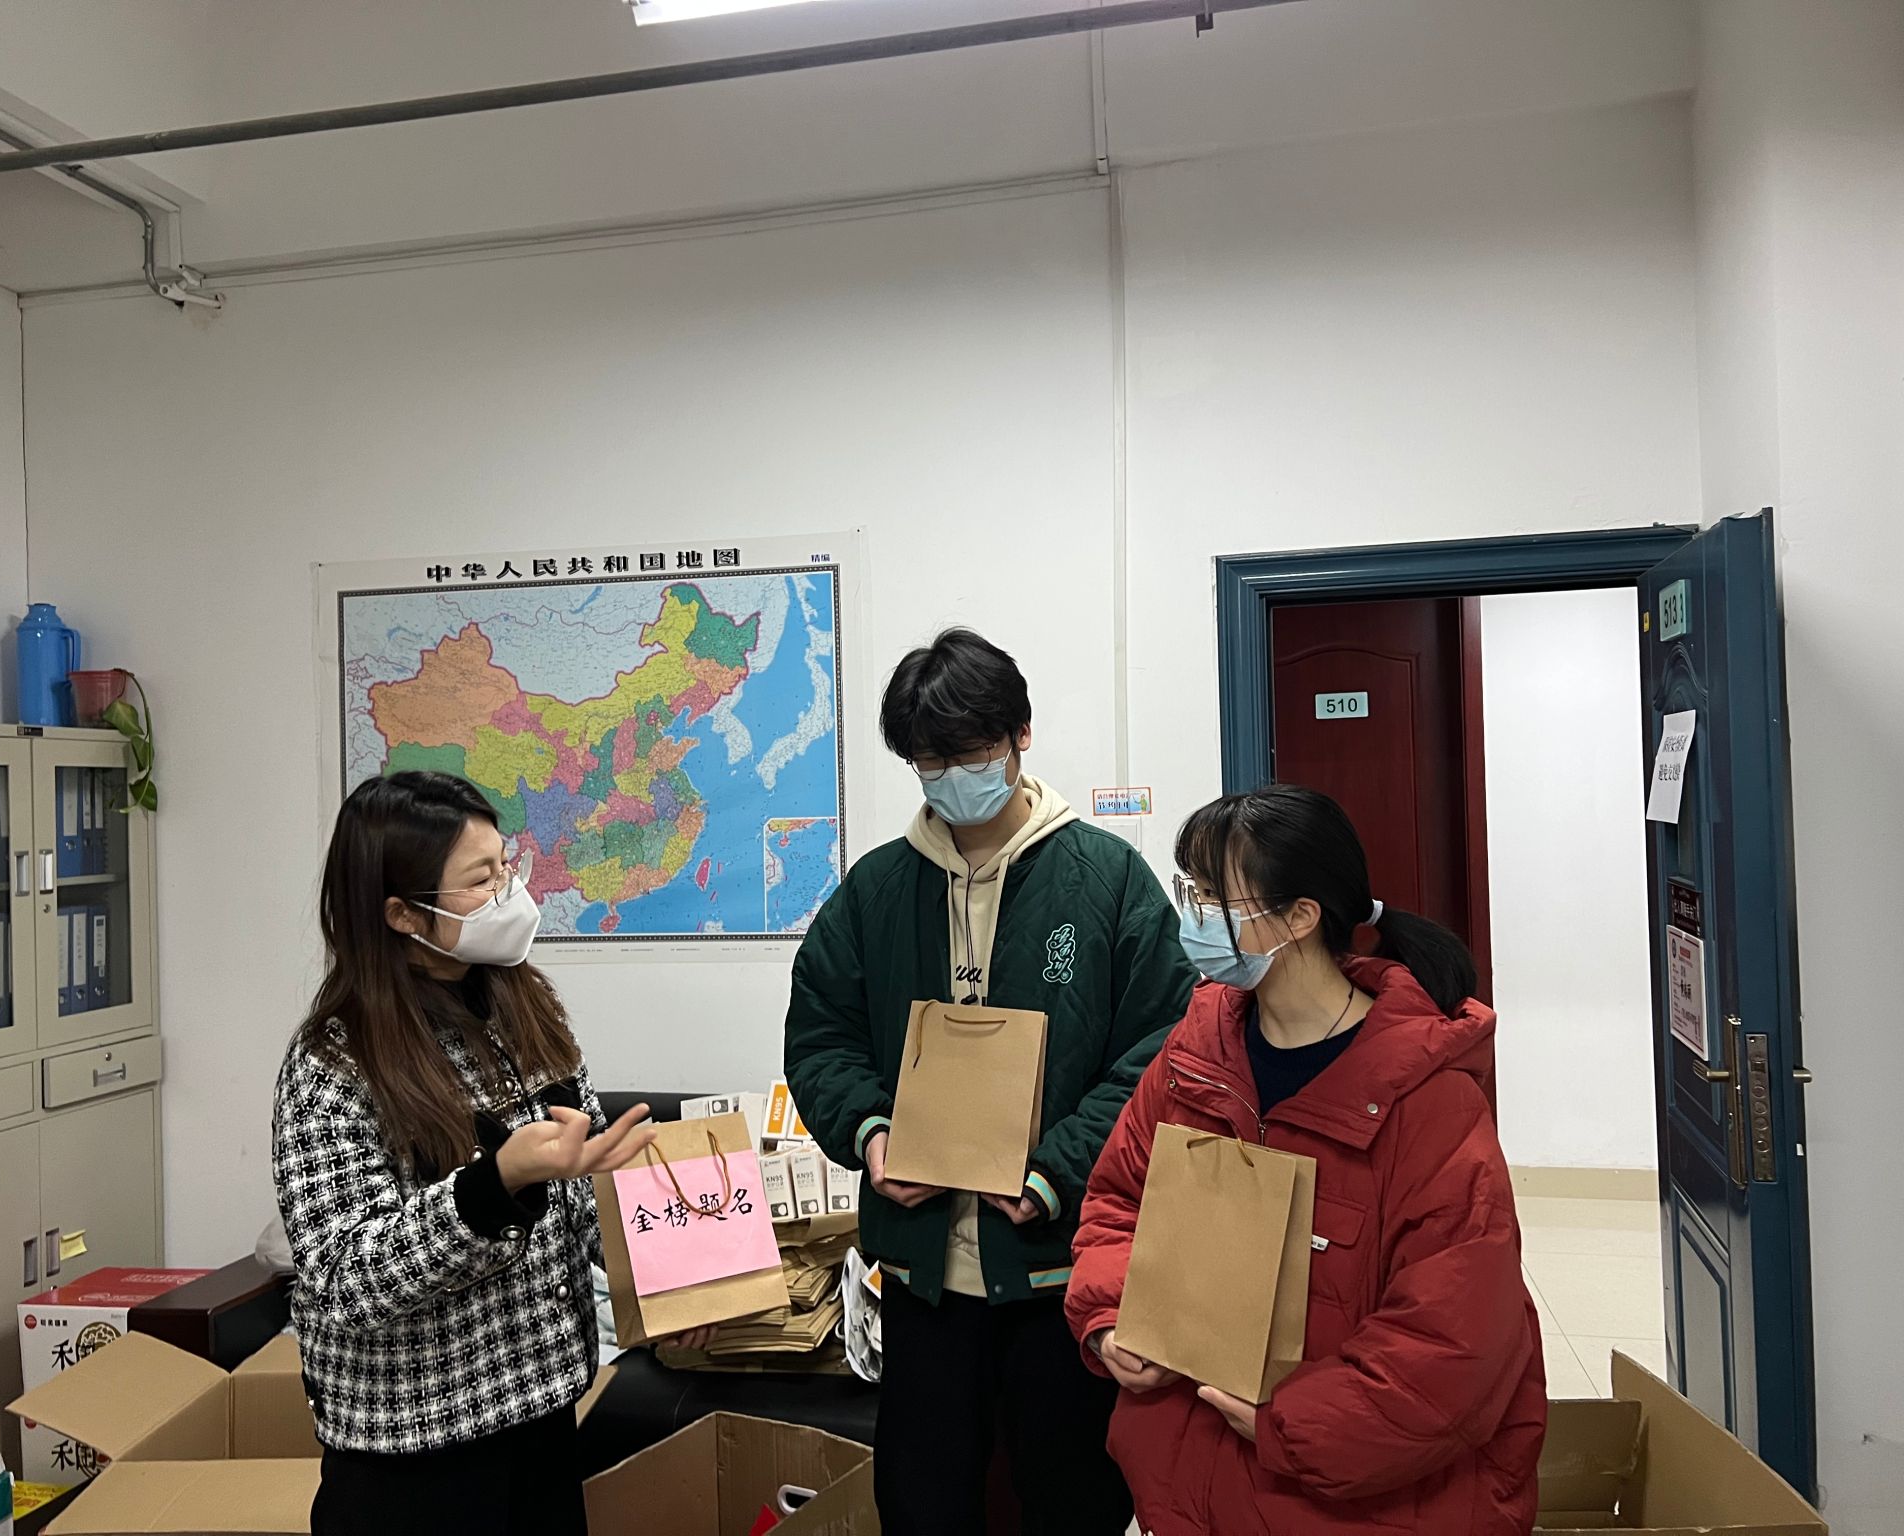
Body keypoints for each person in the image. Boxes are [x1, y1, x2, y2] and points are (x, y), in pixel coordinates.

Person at [785, 628, 1198, 1535]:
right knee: (923, 1505)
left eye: (969, 754)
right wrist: (872, 1135)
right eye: (928, 762)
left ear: (1020, 736)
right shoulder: (876, 891)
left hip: (1062, 1265)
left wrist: (1057, 1168)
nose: (950, 778)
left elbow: (1161, 1051)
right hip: (922, 1271)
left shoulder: (1106, 881)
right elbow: (821, 1038)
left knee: (1071, 1501)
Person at [1066, 783, 1547, 1535]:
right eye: (1191, 892)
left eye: (1215, 899)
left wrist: (1290, 1422)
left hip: (1351, 1498)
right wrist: (1108, 1316)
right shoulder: (1197, 1054)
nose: (1195, 918)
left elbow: (1454, 1342)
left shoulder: (1427, 1101)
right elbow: (1117, 1203)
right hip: (1190, 1485)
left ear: (1299, 918)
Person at [273, 771, 694, 1536]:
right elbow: (343, 1280)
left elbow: (587, 1183)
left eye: (506, 865)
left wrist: (674, 1289)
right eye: (480, 879)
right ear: (402, 913)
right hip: (414, 1460)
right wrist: (492, 1187)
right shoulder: (334, 1063)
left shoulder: (521, 1004)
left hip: (542, 1419)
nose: (509, 891)